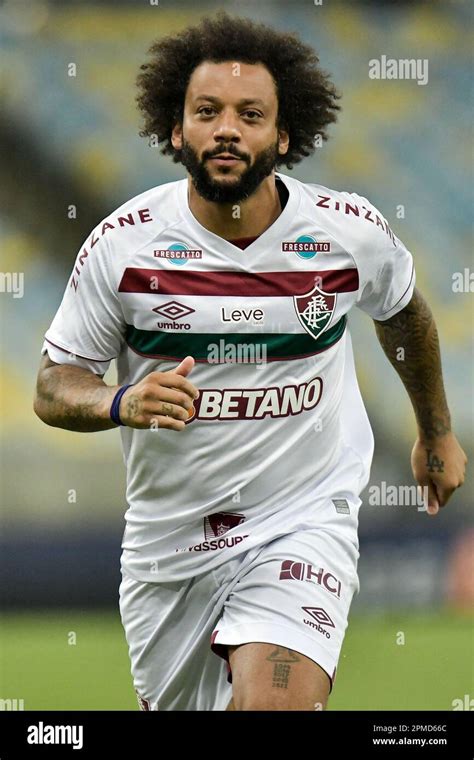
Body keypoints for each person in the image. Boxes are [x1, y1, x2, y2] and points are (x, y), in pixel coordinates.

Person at [33, 13, 467, 711]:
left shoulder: (345, 232)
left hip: (303, 517)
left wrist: (436, 429)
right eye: (206, 112)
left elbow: (404, 312)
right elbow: (53, 387)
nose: (227, 129)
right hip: (170, 547)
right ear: (176, 130)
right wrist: (118, 401)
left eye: (251, 114)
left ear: (284, 135)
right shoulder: (121, 246)